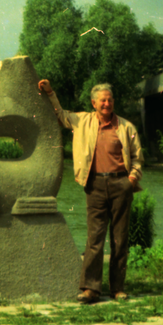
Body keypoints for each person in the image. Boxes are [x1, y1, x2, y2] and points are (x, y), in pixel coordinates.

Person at [37, 80, 143, 304]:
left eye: (110, 100)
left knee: (119, 239)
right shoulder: (82, 120)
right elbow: (60, 114)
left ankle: (117, 289)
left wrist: (131, 179)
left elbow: (137, 158)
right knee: (94, 239)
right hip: (94, 184)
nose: (107, 104)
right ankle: (90, 289)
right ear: (94, 103)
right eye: (102, 100)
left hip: (120, 185)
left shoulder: (126, 127)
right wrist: (50, 92)